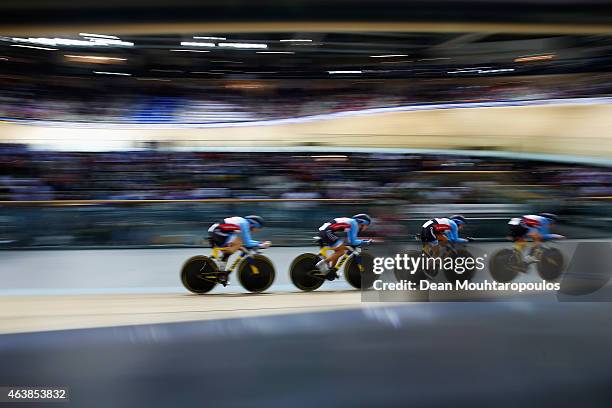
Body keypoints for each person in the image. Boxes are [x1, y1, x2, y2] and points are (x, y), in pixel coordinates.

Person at [207, 215, 271, 285]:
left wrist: (255, 244)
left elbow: (245, 241)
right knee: (238, 243)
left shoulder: (242, 223)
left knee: (235, 246)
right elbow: (248, 243)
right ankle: (222, 274)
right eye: (259, 228)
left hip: (217, 231)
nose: (258, 230)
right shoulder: (244, 224)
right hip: (218, 231)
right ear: (254, 224)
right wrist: (262, 245)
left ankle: (221, 273)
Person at [315, 214, 372, 280]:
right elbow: (353, 242)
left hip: (325, 230)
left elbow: (351, 240)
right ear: (362, 222)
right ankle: (322, 263)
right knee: (341, 251)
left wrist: (360, 242)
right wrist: (365, 242)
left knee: (338, 250)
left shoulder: (351, 223)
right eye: (367, 225)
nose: (366, 228)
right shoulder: (354, 224)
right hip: (327, 232)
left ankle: (332, 271)